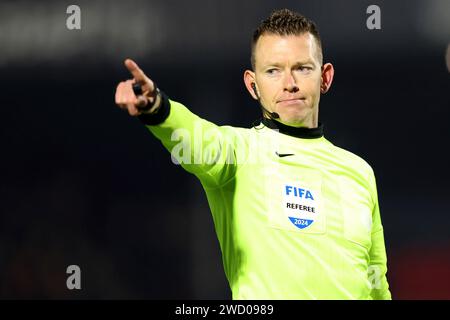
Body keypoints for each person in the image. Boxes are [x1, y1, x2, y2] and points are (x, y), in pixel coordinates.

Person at [115, 8, 391, 300]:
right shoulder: (237, 152)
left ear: (325, 77)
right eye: (273, 70)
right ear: (252, 84)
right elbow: (195, 138)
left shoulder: (359, 172)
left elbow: (377, 284)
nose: (289, 83)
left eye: (303, 68)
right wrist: (157, 107)